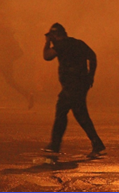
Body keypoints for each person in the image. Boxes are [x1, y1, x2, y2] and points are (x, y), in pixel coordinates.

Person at [42, 23, 105, 158]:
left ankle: (55, 144)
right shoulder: (78, 43)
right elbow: (92, 56)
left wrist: (47, 43)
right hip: (81, 83)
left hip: (72, 85)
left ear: (55, 35)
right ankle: (97, 143)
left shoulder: (61, 45)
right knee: (80, 115)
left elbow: (47, 56)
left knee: (61, 111)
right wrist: (90, 76)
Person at [0, 22, 34, 111]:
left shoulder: (8, 40)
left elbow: (19, 53)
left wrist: (8, 59)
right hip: (2, 62)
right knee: (9, 81)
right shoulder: (8, 40)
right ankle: (27, 94)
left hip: (1, 62)